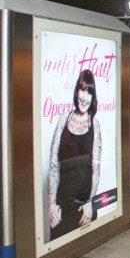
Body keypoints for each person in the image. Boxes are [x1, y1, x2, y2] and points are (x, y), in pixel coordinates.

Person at [48, 69, 102, 240]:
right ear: (76, 91)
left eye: (89, 92)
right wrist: (51, 204)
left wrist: (90, 203)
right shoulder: (64, 118)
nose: (84, 97)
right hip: (60, 208)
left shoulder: (94, 124)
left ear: (93, 97)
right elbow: (53, 163)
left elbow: (96, 166)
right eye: (82, 89)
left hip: (82, 208)